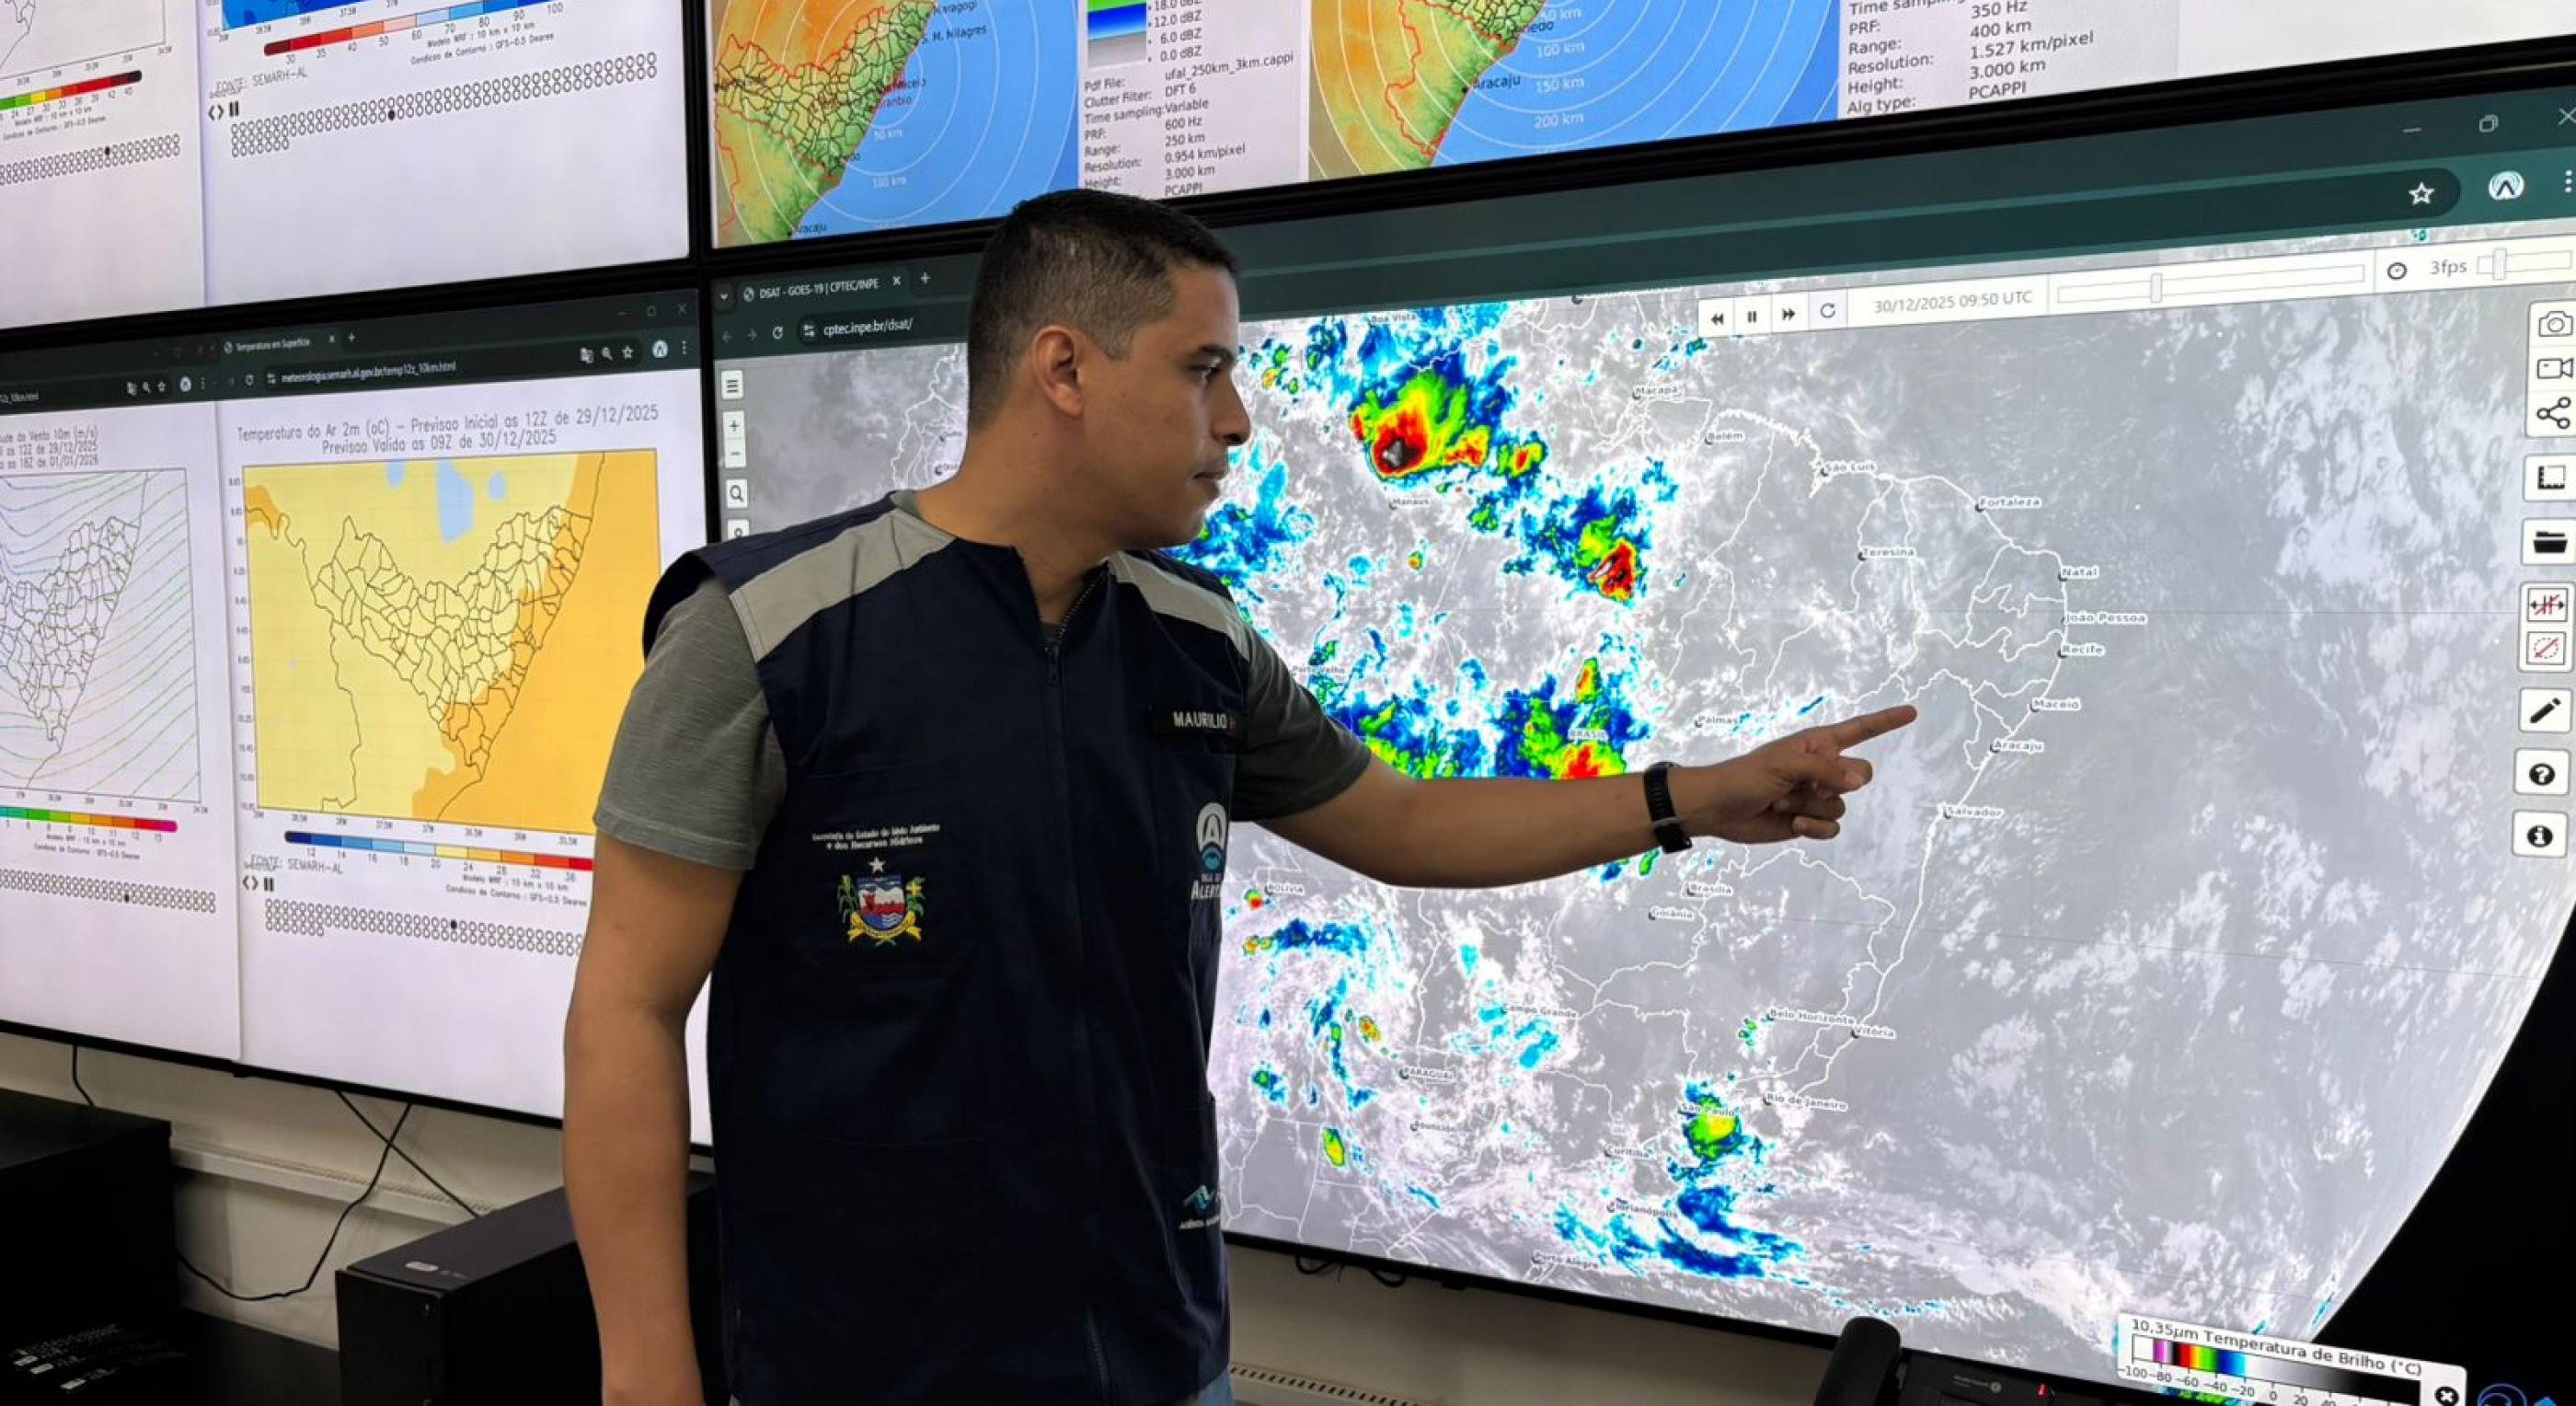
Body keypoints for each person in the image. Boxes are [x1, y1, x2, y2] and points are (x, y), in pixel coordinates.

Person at [564, 188, 1916, 1406]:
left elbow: (1400, 822)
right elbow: (626, 1010)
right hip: (868, 1370)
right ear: (1066, 371)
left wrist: (1686, 798)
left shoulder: (1194, 639)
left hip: (1160, 1357)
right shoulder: (767, 634)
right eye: (1204, 370)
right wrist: (647, 1379)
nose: (1238, 420)